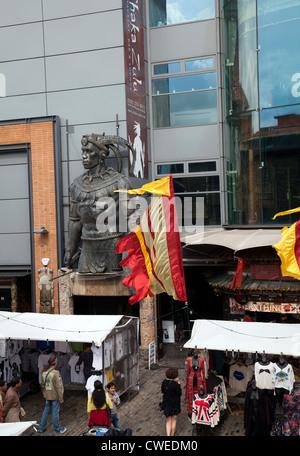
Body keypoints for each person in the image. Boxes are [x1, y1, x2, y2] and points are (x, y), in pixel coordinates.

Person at [64, 134, 133, 274]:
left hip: (113, 247)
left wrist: (129, 254)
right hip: (87, 247)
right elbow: (74, 221)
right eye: (83, 151)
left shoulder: (120, 182)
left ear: (101, 154)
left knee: (115, 289)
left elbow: (131, 220)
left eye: (89, 151)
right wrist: (69, 251)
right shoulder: (76, 185)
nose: (84, 156)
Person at [37, 355, 67, 434]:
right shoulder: (56, 373)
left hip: (47, 395)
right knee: (55, 412)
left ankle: (41, 427)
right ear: (55, 363)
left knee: (46, 411)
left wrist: (44, 394)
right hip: (54, 396)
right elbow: (59, 387)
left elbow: (42, 385)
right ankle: (57, 429)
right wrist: (61, 398)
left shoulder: (44, 372)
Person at [161, 368, 182, 436]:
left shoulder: (164, 382)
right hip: (175, 404)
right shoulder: (176, 384)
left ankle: (168, 435)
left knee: (168, 421)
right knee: (174, 420)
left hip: (167, 404)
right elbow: (179, 393)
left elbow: (162, 391)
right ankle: (172, 435)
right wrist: (178, 384)